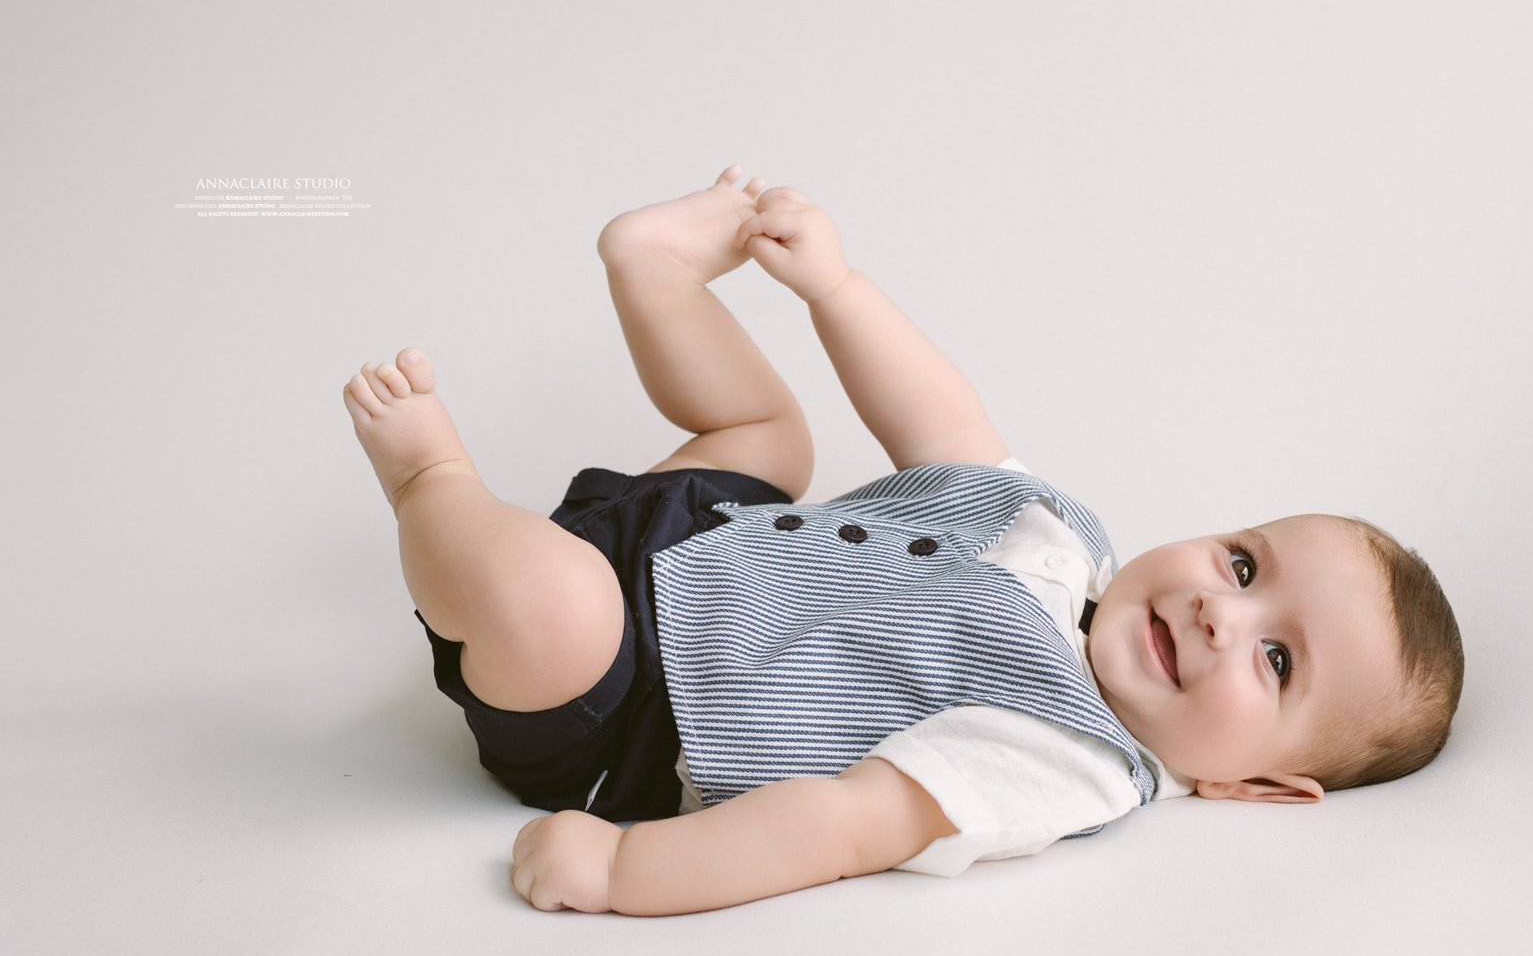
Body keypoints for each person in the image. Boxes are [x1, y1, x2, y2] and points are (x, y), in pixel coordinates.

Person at [342, 165, 1464, 917]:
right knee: (770, 434)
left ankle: (432, 482)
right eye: (1245, 562)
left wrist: (630, 869)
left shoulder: (1067, 761)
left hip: (627, 702)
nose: (1226, 613)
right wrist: (834, 287)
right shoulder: (1070, 541)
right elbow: (942, 426)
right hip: (702, 530)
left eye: (1278, 661)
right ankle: (653, 268)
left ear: (1260, 788)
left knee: (553, 607)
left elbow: (839, 825)